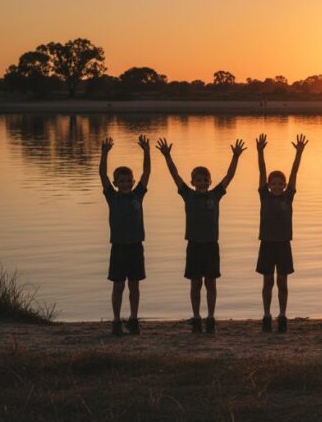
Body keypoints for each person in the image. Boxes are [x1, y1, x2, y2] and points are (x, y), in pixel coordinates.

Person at [157, 137, 246, 334]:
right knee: (195, 283)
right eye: (198, 180)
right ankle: (196, 317)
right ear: (193, 182)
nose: (202, 182)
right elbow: (175, 174)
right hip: (195, 245)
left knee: (211, 283)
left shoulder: (215, 195)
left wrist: (236, 156)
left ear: (210, 181)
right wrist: (167, 155)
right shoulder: (188, 195)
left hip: (211, 245)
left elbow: (229, 176)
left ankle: (211, 318)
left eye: (205, 179)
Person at [256, 133, 307, 333]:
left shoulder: (288, 197)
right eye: (273, 184)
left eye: (280, 184)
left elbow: (294, 172)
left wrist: (299, 153)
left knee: (282, 282)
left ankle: (283, 315)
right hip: (267, 244)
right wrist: (260, 152)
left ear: (284, 186)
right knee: (267, 281)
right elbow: (261, 171)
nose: (277, 187)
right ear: (268, 186)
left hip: (284, 244)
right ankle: (267, 315)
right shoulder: (264, 197)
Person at [99, 135, 150, 335]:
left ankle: (134, 319)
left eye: (129, 180)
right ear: (116, 182)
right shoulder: (112, 196)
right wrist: (104, 154)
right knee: (118, 286)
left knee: (134, 286)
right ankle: (116, 320)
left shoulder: (138, 194)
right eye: (121, 181)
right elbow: (102, 175)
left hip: (136, 246)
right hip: (119, 247)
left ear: (133, 181)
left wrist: (146, 151)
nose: (126, 183)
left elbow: (147, 172)